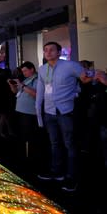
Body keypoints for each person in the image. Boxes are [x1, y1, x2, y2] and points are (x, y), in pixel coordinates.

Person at [35, 41, 91, 192]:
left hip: (65, 112)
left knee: (70, 145)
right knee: (54, 143)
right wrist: (38, 113)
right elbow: (40, 92)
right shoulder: (42, 69)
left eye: (52, 50)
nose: (48, 52)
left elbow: (85, 78)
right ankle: (56, 171)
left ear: (59, 52)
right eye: (45, 50)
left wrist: (93, 74)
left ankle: (72, 177)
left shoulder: (70, 66)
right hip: (49, 112)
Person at [8, 61, 39, 159]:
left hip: (30, 112)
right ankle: (24, 153)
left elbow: (37, 94)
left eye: (25, 71)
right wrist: (12, 85)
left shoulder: (37, 79)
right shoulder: (26, 80)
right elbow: (16, 92)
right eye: (23, 71)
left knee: (29, 135)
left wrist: (22, 86)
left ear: (32, 69)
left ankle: (31, 155)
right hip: (21, 111)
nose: (24, 73)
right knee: (22, 134)